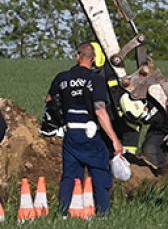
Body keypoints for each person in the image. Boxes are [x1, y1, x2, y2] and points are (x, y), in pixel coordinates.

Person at [46, 42, 123, 215]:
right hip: (91, 134)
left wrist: (60, 118)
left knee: (70, 176)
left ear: (77, 55)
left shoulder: (62, 78)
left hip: (71, 133)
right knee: (100, 172)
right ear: (94, 59)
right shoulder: (96, 80)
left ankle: (63, 213)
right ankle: (103, 213)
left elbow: (49, 99)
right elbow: (100, 111)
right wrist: (115, 140)